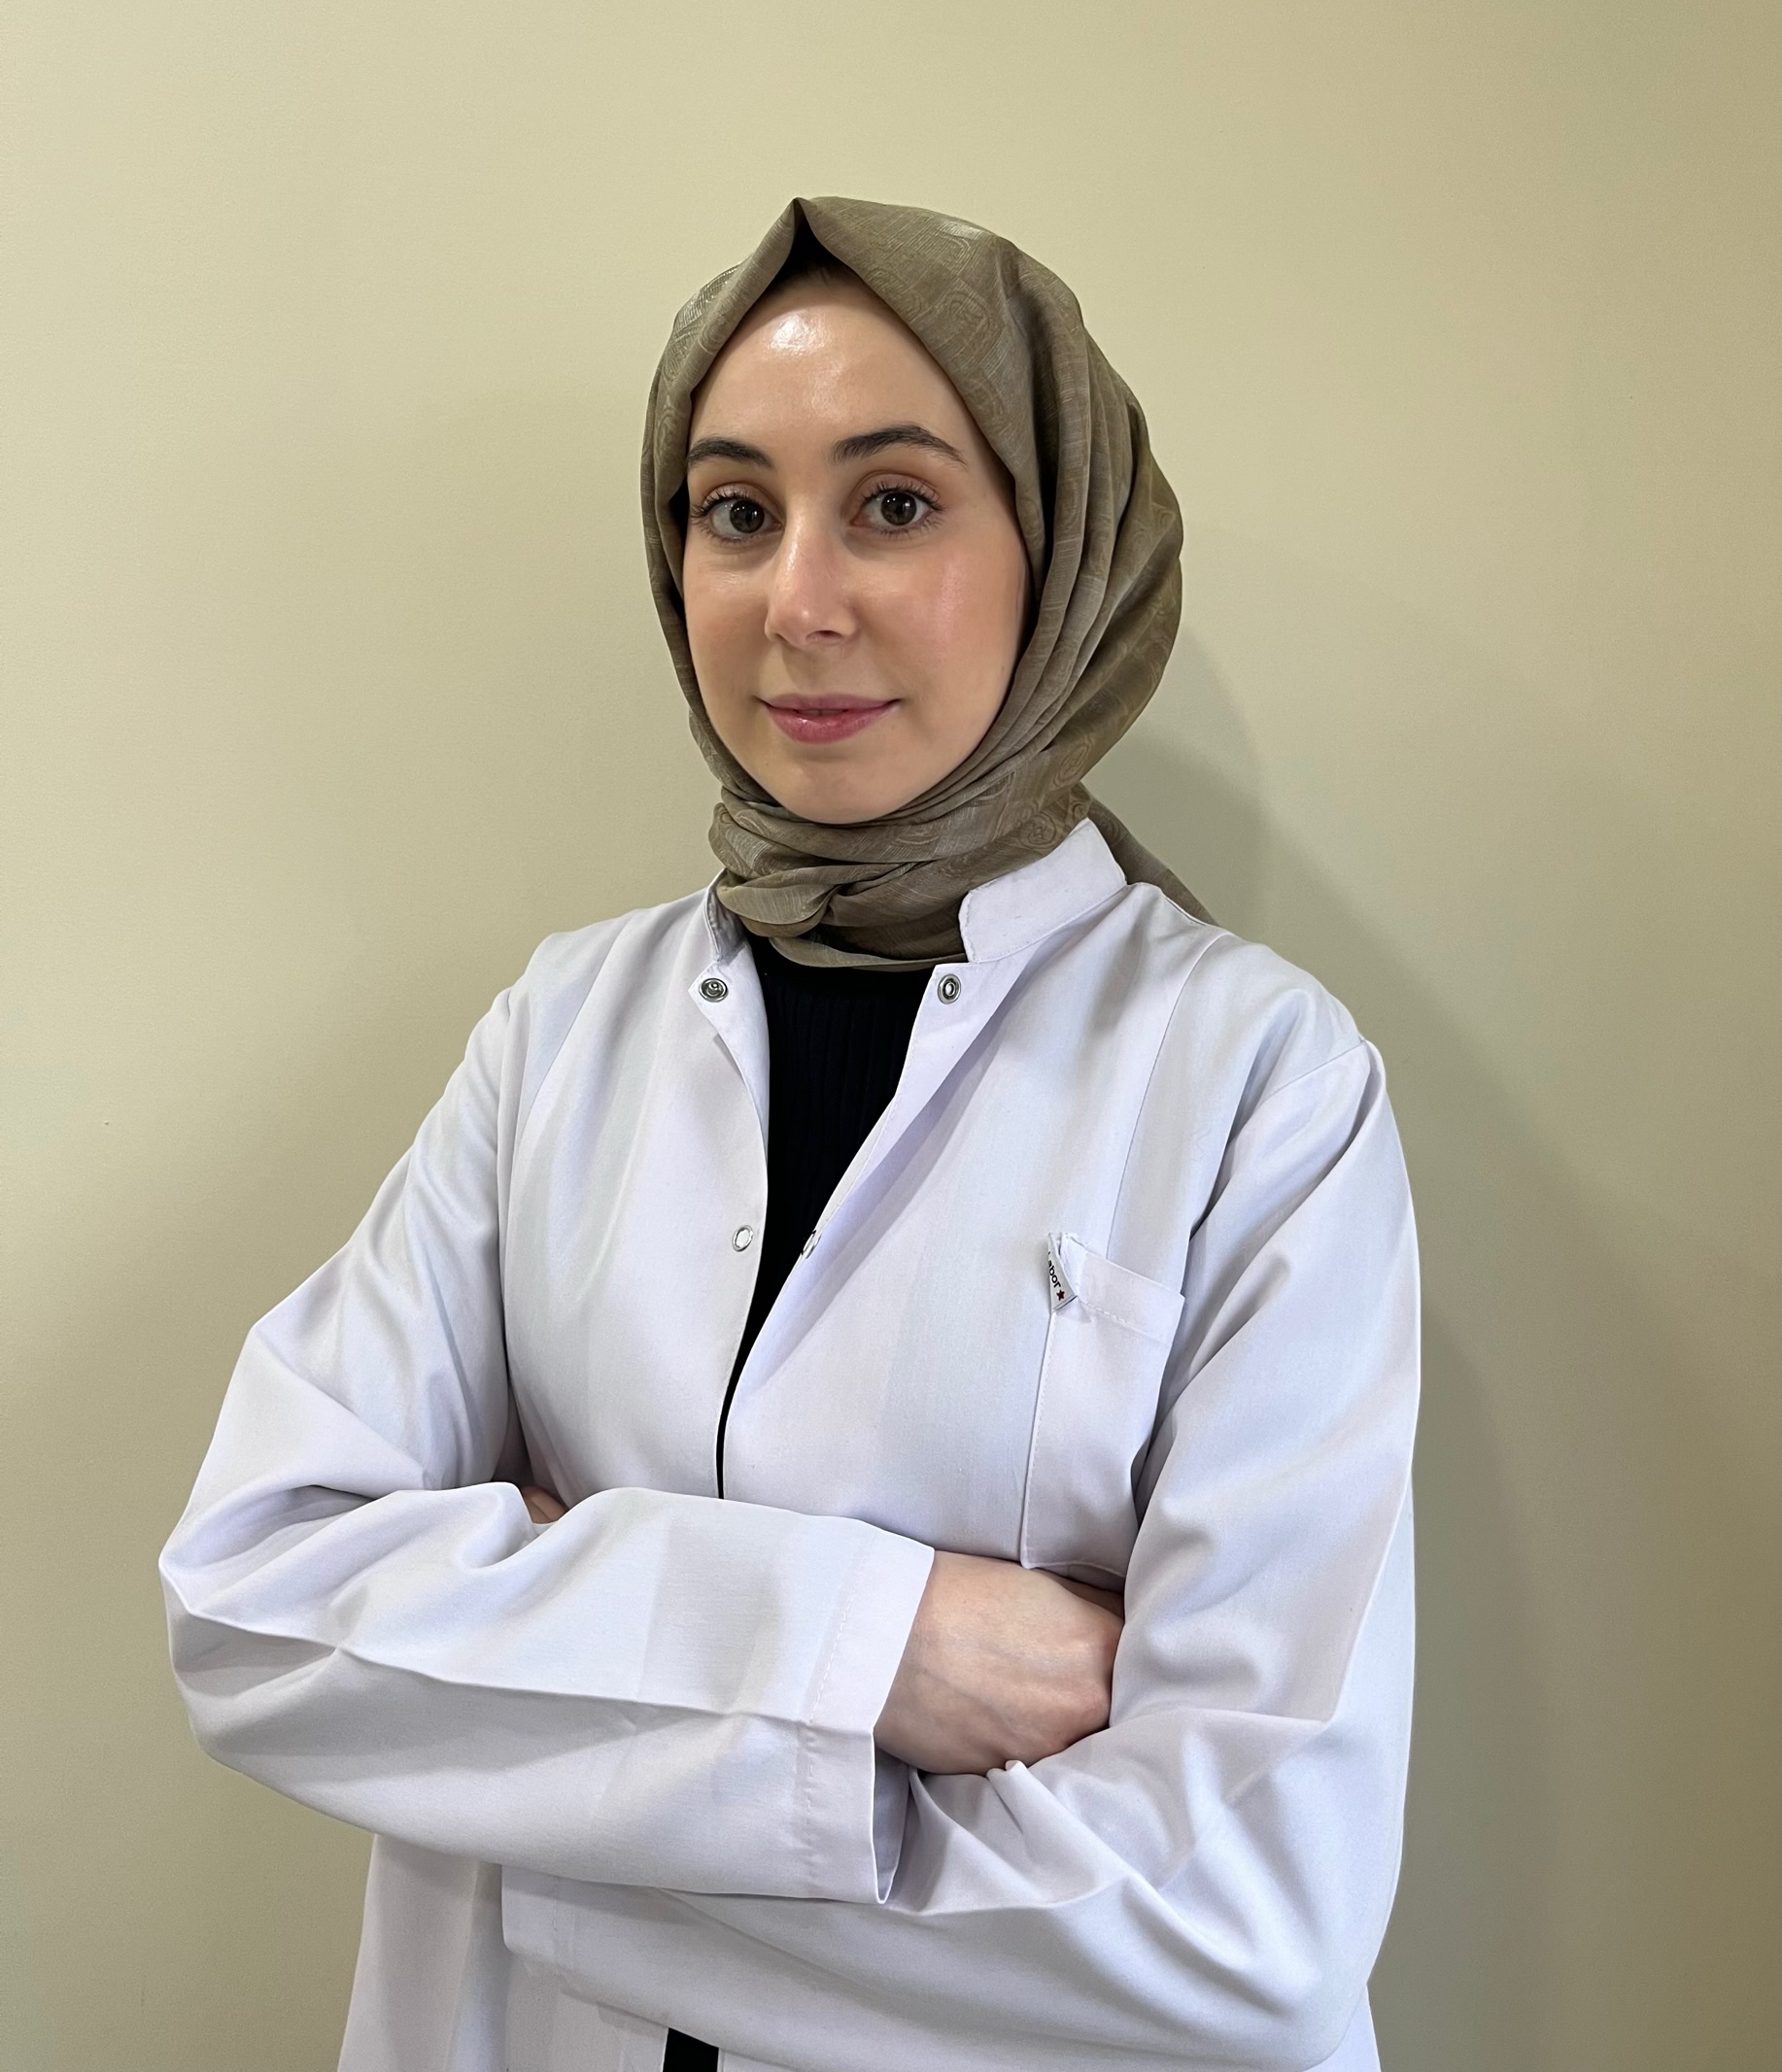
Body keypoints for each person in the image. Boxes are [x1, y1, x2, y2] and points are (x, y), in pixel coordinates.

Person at [160, 196, 1420, 2072]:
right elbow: (253, 1602)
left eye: (893, 504)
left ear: (1062, 553)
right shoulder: (560, 1032)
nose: (796, 603)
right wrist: (880, 1645)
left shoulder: (1256, 1081)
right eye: (733, 512)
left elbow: (1244, 1925)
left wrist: (542, 1782)